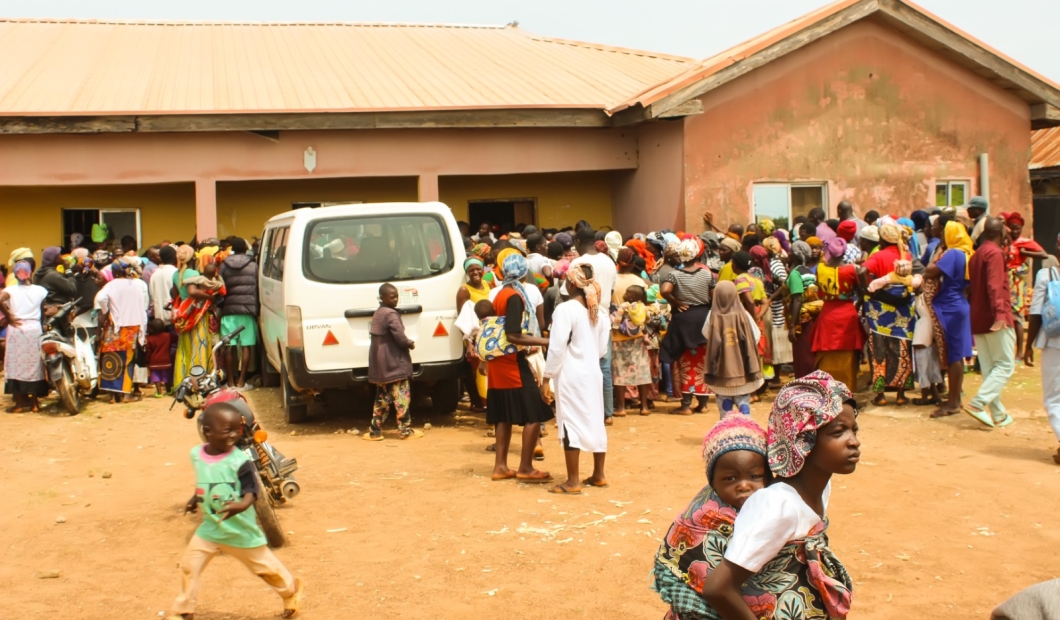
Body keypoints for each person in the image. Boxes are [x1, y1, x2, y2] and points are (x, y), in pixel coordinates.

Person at [701, 371, 858, 620]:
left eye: (853, 430)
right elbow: (718, 589)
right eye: (839, 432)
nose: (854, 442)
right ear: (802, 440)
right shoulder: (777, 505)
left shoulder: (819, 486)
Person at [167, 406, 304, 620]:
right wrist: (195, 499)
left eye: (237, 429)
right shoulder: (197, 455)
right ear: (208, 431)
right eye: (227, 430)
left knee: (266, 569)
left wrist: (241, 505)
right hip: (210, 529)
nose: (234, 434)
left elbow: (252, 491)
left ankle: (291, 591)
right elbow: (204, 480)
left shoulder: (240, 461)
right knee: (189, 567)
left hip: (240, 530)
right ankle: (184, 610)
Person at [651, 415, 769, 618]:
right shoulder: (699, 518)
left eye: (755, 476)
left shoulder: (776, 510)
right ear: (713, 482)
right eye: (730, 478)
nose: (743, 485)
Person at [542, 264, 610, 495]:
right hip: (592, 372)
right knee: (595, 419)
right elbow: (601, 350)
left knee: (570, 422)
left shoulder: (565, 309)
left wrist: (546, 377)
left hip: (571, 374)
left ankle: (572, 481)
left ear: (571, 284)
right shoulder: (599, 312)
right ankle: (599, 474)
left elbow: (557, 347)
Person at [487, 253, 552, 483]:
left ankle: (500, 466)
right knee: (535, 412)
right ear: (524, 273)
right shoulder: (514, 296)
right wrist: (544, 341)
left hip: (498, 362)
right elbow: (513, 334)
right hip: (511, 363)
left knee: (503, 416)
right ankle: (525, 467)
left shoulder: (500, 294)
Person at [964, 218, 1016, 428]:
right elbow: (995, 286)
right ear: (1001, 233)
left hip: (979, 317)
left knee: (989, 367)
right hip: (995, 316)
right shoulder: (994, 253)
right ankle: (978, 403)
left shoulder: (977, 254)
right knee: (1005, 365)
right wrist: (1000, 314)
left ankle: (998, 414)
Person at [860, 224, 917, 406]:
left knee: (879, 349)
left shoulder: (878, 256)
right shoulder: (905, 255)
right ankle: (901, 394)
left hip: (880, 311)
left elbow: (861, 271)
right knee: (902, 348)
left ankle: (881, 395)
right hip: (903, 310)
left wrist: (865, 290)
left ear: (883, 239)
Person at [925, 221, 975, 419]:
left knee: (954, 355)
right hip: (959, 302)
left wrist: (939, 252)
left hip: (950, 306)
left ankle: (953, 403)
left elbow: (930, 272)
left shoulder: (953, 253)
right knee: (956, 354)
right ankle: (955, 398)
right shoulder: (967, 253)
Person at [660, 240, 715, 414]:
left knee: (683, 362)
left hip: (683, 321)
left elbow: (665, 290)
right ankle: (703, 404)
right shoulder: (707, 275)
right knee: (702, 362)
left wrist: (676, 302)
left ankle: (685, 405)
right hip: (703, 319)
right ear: (697, 254)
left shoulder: (674, 275)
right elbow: (713, 297)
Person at [571, 228, 617, 422]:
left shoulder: (577, 263)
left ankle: (588, 410)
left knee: (582, 366)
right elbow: (611, 291)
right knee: (604, 367)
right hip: (604, 319)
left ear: (578, 242)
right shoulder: (609, 262)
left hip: (583, 320)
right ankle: (608, 412)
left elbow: (570, 292)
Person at [364, 283, 420, 441]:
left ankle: (375, 432)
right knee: (402, 398)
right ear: (382, 298)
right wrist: (409, 343)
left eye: (396, 296)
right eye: (392, 297)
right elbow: (399, 336)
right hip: (394, 364)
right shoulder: (391, 314)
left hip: (381, 366)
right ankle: (405, 431)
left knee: (381, 400)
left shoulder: (379, 313)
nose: (395, 299)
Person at [1024, 232, 1060, 464]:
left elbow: (1036, 312)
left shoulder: (1046, 275)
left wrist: (1028, 346)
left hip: (1054, 342)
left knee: (1054, 398)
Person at [702, 281, 764, 417]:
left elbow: (706, 333)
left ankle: (726, 419)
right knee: (743, 400)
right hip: (743, 370)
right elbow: (756, 335)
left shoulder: (712, 315)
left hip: (721, 372)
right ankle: (744, 417)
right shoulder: (744, 314)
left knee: (724, 406)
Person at [812, 238, 865, 390]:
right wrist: (857, 306)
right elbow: (861, 293)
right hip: (848, 313)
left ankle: (827, 389)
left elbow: (819, 291)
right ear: (844, 253)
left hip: (827, 314)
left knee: (825, 351)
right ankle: (847, 390)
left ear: (829, 251)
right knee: (848, 352)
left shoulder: (820, 268)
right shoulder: (851, 270)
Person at [96, 259, 150, 403]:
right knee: (128, 360)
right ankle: (126, 394)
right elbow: (143, 306)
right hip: (133, 327)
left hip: (115, 326)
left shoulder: (111, 285)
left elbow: (100, 298)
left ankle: (113, 396)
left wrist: (106, 310)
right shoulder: (137, 284)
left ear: (114, 272)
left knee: (111, 359)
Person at [0, 260, 48, 413]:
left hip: (17, 329)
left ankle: (19, 405)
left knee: (16, 366)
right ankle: (34, 404)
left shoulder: (10, 290)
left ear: (15, 274)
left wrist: (9, 316)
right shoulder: (40, 290)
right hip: (34, 329)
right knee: (34, 365)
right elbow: (43, 311)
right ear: (30, 273)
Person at [173, 245, 222, 386]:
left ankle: (183, 380)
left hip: (184, 314)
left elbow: (175, 294)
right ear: (192, 257)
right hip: (196, 315)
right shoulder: (192, 273)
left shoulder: (176, 274)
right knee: (199, 345)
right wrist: (210, 297)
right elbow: (193, 291)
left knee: (185, 348)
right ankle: (198, 381)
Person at [1002, 211, 1048, 358]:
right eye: (1012, 228)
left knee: (1017, 317)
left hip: (1017, 283)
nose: (1014, 231)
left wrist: (1025, 253)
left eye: (1017, 228)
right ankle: (1007, 351)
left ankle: (1020, 352)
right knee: (1004, 316)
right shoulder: (1004, 241)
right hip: (1004, 281)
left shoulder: (1024, 242)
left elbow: (1043, 254)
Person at [218, 238, 259, 391]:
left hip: (229, 310)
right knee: (246, 346)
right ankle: (241, 382)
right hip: (247, 310)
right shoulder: (253, 265)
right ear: (245, 249)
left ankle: (230, 382)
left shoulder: (224, 265)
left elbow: (219, 286)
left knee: (229, 346)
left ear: (232, 249)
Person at [611, 283, 653, 416]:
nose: (624, 294)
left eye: (627, 293)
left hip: (620, 341)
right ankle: (644, 407)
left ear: (632, 297)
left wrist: (615, 327)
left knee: (619, 372)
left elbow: (618, 318)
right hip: (638, 340)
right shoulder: (643, 307)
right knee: (642, 370)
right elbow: (647, 320)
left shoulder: (624, 306)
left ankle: (621, 408)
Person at [457, 257, 491, 412]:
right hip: (475, 337)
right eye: (471, 270)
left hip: (489, 334)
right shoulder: (464, 290)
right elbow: (462, 318)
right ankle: (482, 403)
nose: (475, 272)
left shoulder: (488, 284)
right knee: (478, 371)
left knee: (489, 370)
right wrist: (468, 343)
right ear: (467, 273)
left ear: (483, 270)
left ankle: (488, 402)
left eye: (478, 269)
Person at [786, 240, 822, 379]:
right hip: (813, 317)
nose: (788, 253)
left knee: (802, 355)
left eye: (790, 251)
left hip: (802, 320)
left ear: (795, 255)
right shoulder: (808, 272)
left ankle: (805, 383)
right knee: (810, 353)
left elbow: (797, 299)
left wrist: (792, 326)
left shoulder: (795, 274)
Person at [145, 318, 177, 397]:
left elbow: (148, 352)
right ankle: (168, 391)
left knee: (156, 377)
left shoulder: (150, 339)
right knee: (166, 376)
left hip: (154, 362)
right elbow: (176, 338)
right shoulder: (168, 336)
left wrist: (147, 361)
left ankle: (159, 393)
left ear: (151, 329)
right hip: (166, 361)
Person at [150, 245, 179, 326]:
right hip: (173, 317)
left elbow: (152, 295)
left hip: (159, 319)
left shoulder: (154, 275)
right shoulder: (176, 273)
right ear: (174, 257)